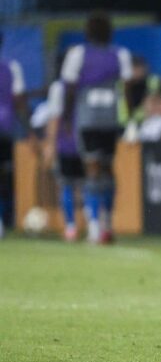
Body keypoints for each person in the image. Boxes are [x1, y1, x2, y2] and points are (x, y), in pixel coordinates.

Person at [60, 11, 132, 244]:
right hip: (110, 119)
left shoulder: (78, 54)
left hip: (88, 119)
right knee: (108, 169)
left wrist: (67, 119)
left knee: (92, 169)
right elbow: (127, 89)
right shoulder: (121, 54)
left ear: (87, 32)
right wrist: (128, 119)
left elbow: (69, 89)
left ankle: (94, 225)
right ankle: (107, 222)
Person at [42, 78, 84, 241]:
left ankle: (72, 226)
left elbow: (54, 117)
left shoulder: (59, 88)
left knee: (68, 184)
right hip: (81, 141)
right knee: (85, 184)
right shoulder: (87, 82)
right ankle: (92, 225)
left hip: (67, 142)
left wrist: (50, 144)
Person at [0, 32, 32, 239]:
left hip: (3, 128)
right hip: (4, 127)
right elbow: (20, 102)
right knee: (2, 176)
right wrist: (30, 131)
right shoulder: (11, 67)